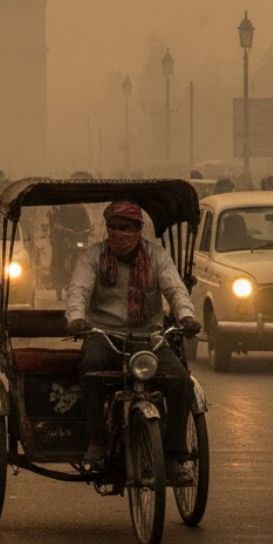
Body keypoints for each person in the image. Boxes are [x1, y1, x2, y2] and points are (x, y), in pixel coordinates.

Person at [66, 201, 200, 480]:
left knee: (181, 383)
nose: (118, 234)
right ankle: (97, 440)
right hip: (104, 335)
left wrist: (186, 316)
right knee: (90, 368)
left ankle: (175, 455)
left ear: (138, 230)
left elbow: (175, 289)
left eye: (124, 229)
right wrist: (77, 318)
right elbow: (79, 289)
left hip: (147, 338)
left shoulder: (156, 256)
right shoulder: (94, 256)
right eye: (112, 228)